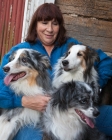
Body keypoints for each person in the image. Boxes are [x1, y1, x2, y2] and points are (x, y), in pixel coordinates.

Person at [0, 3, 112, 140]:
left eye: (55, 23)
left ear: (60, 26)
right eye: (44, 23)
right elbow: (1, 83)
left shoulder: (70, 45)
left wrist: (94, 86)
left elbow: (105, 61)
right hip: (35, 116)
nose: (50, 29)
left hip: (76, 108)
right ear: (35, 25)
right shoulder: (21, 51)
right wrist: (23, 100)